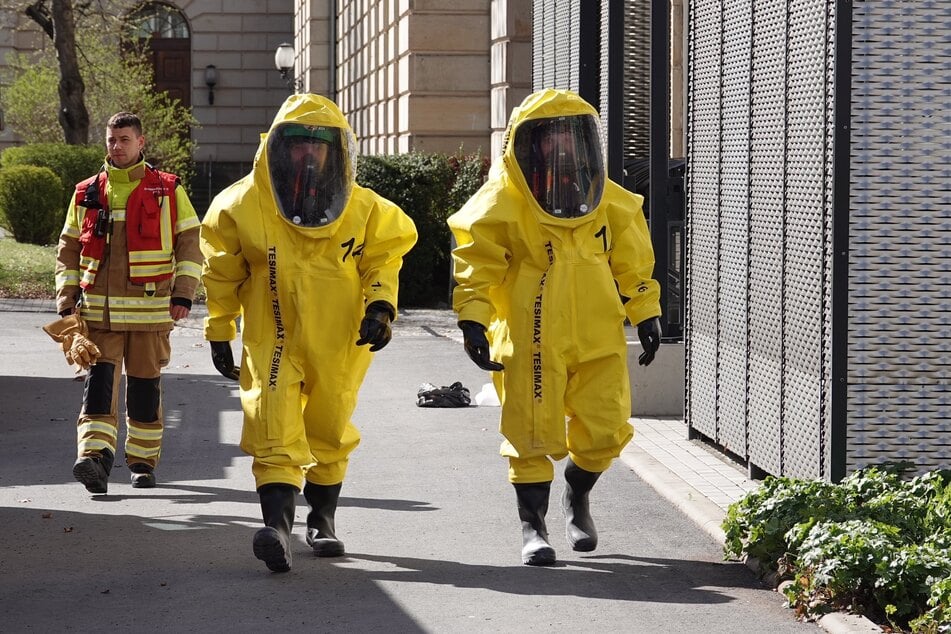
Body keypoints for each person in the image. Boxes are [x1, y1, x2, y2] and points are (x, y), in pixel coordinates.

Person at [200, 93, 417, 573]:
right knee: (271, 426)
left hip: (340, 339)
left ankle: (321, 521)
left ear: (335, 151)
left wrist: (381, 306)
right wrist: (219, 330)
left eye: (318, 146)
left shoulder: (365, 209)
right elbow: (220, 273)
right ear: (278, 147)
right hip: (271, 336)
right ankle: (277, 528)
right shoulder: (241, 204)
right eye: (298, 145)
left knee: (329, 428)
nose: (308, 154)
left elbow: (383, 259)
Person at [447, 89, 663, 566]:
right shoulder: (503, 200)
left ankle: (577, 494)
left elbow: (633, 259)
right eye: (552, 138)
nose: (563, 147)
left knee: (606, 428)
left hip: (598, 331)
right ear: (530, 144)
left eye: (571, 136)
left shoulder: (607, 198)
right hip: (529, 336)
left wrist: (645, 310)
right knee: (530, 433)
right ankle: (534, 528)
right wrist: (473, 322)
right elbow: (475, 265)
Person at [54, 111, 202, 494]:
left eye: (124, 140)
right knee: (98, 386)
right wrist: (66, 301)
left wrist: (184, 292)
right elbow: (68, 250)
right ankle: (95, 459)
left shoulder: (168, 190)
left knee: (143, 389)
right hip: (97, 315)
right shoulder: (86, 191)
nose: (116, 147)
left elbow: (189, 244)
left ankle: (141, 463)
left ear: (141, 142)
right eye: (111, 140)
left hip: (149, 315)